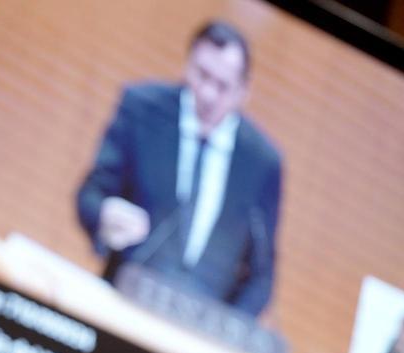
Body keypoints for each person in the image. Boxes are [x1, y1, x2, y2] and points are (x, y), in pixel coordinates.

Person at [77, 20, 283, 318]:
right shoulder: (142, 108)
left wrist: (229, 330)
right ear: (188, 65)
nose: (209, 94)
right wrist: (104, 215)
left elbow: (262, 274)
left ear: (243, 91)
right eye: (202, 75)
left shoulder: (263, 162)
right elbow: (91, 195)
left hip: (202, 330)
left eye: (223, 86)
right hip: (124, 304)